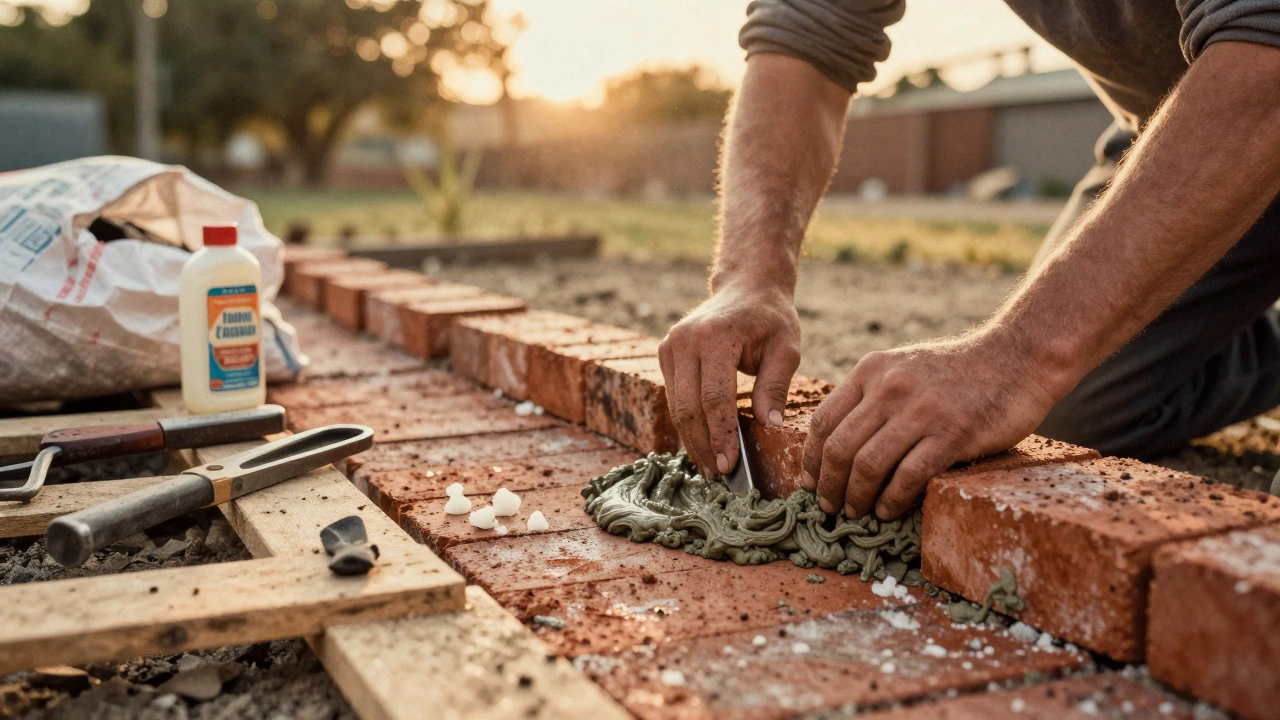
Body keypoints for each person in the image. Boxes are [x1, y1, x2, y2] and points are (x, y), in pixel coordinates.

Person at [658, 0, 1280, 522]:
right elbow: (805, 36)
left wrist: (1017, 357)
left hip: (1257, 91)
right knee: (1069, 411)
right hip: (1180, 138)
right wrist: (750, 277)